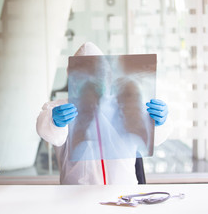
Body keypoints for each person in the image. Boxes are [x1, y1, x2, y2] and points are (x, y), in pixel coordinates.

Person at [36, 42, 169, 185]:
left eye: (97, 74)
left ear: (108, 75)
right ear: (72, 77)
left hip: (124, 193)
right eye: (84, 75)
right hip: (77, 196)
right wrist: (54, 122)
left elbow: (152, 138)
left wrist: (159, 121)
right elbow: (45, 128)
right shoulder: (61, 107)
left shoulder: (124, 104)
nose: (91, 82)